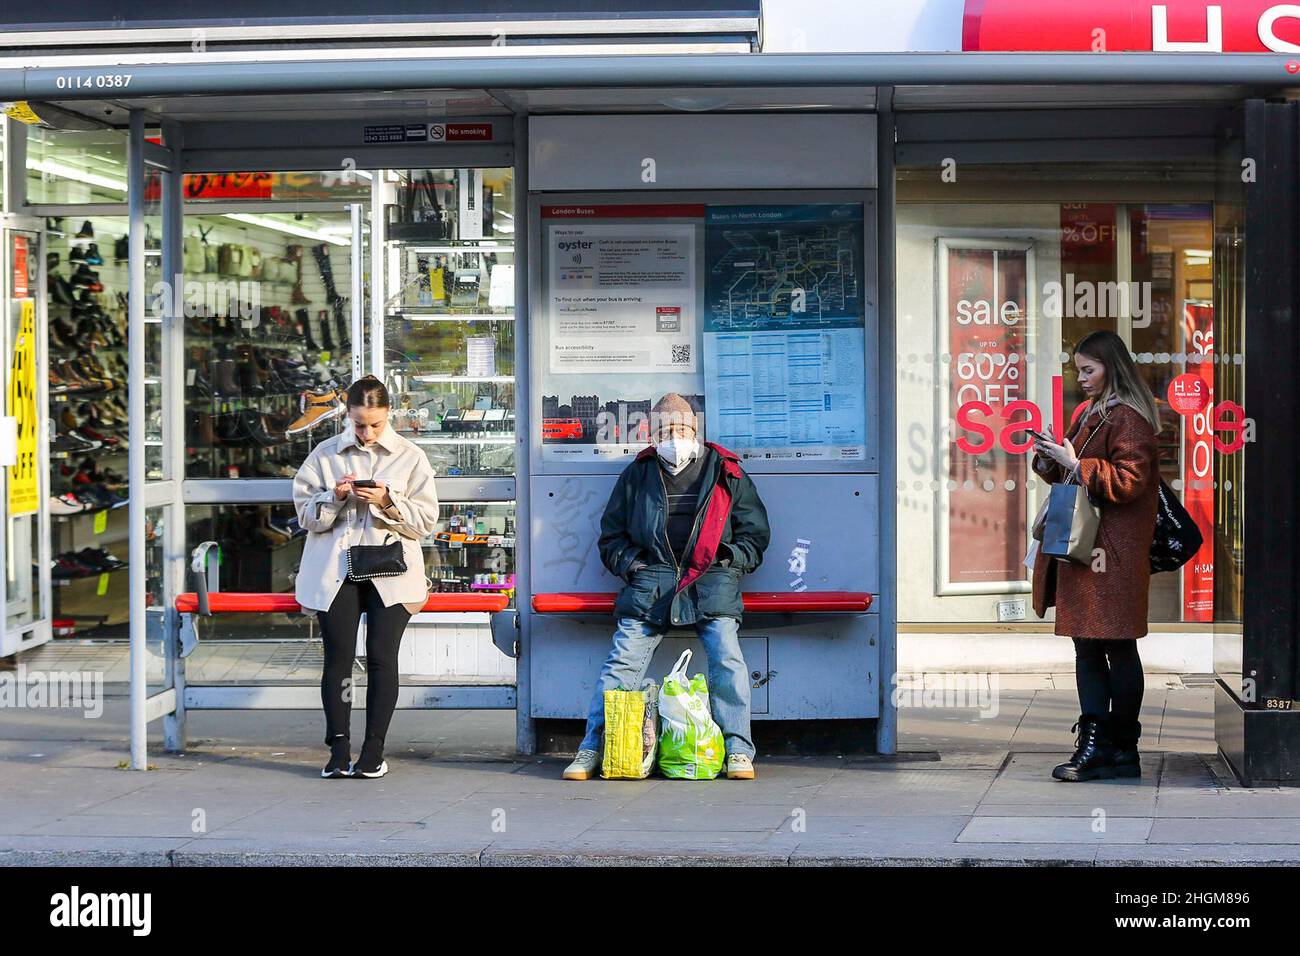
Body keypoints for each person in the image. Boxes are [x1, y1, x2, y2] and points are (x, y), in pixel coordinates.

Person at [563, 393, 771, 781]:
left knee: (727, 658)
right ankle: (591, 748)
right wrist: (635, 566)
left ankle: (739, 750)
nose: (674, 437)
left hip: (711, 582)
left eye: (682, 429)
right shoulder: (638, 474)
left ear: (696, 430)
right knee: (620, 664)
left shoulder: (726, 471)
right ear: (652, 434)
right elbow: (611, 538)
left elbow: (754, 536)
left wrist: (727, 563)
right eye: (665, 430)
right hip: (651, 584)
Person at [292, 375, 440, 779]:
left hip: (390, 570)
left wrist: (388, 501)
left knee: (380, 657)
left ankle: (373, 748)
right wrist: (334, 498)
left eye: (374, 423)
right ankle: (338, 748)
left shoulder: (410, 456)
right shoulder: (325, 454)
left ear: (389, 414)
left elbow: (426, 522)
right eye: (359, 423)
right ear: (347, 416)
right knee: (338, 659)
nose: (367, 432)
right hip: (335, 569)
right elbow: (306, 517)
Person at [1030, 330, 1161, 782]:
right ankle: (1098, 743)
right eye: (1078, 370)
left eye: (1089, 369)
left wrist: (1075, 464)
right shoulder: (1091, 413)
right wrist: (1049, 454)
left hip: (1113, 551)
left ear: (1112, 367)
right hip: (1085, 547)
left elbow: (1129, 481)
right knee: (1086, 646)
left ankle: (1119, 747)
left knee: (1117, 646)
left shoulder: (1129, 418)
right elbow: (1069, 469)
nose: (1081, 378)